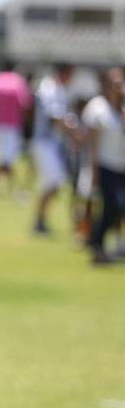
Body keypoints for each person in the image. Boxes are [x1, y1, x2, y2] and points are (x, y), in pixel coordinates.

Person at [82, 67, 125, 264]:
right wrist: (93, 171)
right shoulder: (98, 108)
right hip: (105, 164)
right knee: (114, 205)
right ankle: (96, 242)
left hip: (121, 165)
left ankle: (103, 243)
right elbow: (93, 144)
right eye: (114, 84)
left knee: (118, 207)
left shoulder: (121, 109)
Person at [31, 63, 79, 234]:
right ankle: (38, 220)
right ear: (65, 73)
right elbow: (54, 117)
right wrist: (75, 131)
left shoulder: (57, 88)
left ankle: (39, 220)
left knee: (52, 184)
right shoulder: (50, 88)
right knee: (54, 182)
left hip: (52, 143)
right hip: (45, 142)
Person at [0, 61, 32, 198]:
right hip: (13, 125)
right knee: (6, 159)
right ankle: (13, 190)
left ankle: (2, 188)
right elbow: (25, 105)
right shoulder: (18, 81)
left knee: (5, 159)